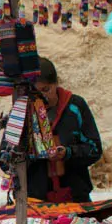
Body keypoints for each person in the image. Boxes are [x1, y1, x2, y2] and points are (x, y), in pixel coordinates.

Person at [24, 58, 102, 203]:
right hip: (35, 200)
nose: (42, 96)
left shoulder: (75, 106)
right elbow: (5, 161)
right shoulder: (22, 113)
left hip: (76, 196)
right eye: (35, 93)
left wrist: (68, 152)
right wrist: (34, 153)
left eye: (46, 89)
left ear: (56, 83)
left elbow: (95, 149)